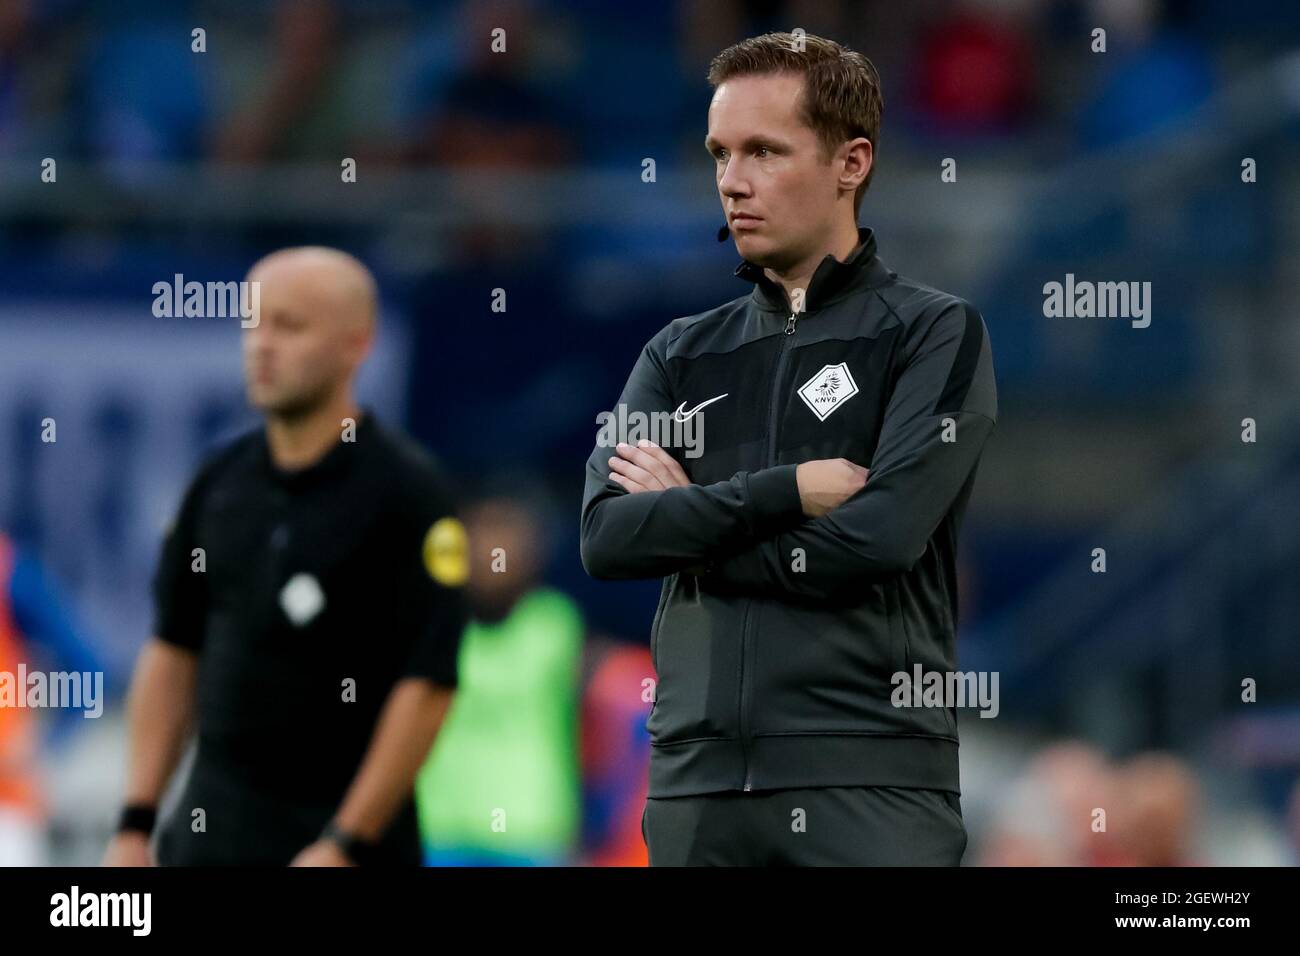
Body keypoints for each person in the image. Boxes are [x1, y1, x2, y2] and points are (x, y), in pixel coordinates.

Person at [580, 32, 997, 865]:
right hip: (696, 791)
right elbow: (606, 538)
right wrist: (783, 493)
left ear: (852, 164)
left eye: (765, 151)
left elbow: (874, 540)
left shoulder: (931, 332)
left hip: (868, 787)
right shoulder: (678, 352)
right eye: (720, 153)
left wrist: (687, 527)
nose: (732, 181)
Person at [102, 246, 469, 866]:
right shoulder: (218, 483)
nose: (261, 345)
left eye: (289, 326)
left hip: (342, 843)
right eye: (253, 324)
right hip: (209, 837)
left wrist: (345, 842)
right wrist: (135, 823)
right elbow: (172, 648)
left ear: (358, 344)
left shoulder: (409, 495)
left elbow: (427, 685)